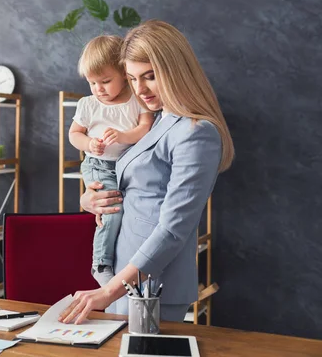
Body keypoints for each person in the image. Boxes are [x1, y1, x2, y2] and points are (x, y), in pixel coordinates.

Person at [59, 20, 235, 324]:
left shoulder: (196, 132)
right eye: (132, 78)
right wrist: (90, 200)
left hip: (152, 282)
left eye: (150, 77)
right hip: (124, 273)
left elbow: (174, 229)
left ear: (175, 70)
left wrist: (110, 291)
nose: (139, 89)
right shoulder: (161, 120)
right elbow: (133, 188)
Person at [69, 35, 154, 287]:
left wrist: (123, 135)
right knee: (112, 212)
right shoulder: (88, 104)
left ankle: (120, 264)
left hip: (126, 165)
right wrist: (89, 144)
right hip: (98, 165)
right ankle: (101, 263)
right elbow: (74, 134)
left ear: (123, 73)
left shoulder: (137, 99)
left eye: (105, 81)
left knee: (125, 212)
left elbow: (145, 129)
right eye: (92, 83)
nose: (99, 89)